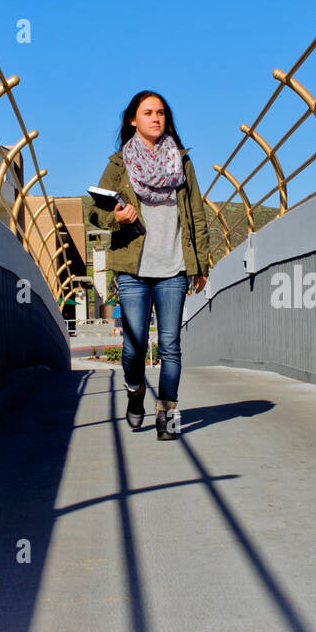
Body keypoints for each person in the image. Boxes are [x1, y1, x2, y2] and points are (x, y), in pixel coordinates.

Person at [87, 90, 210, 440]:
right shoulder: (119, 164)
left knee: (170, 346)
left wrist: (200, 264)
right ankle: (135, 393)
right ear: (132, 120)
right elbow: (95, 212)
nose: (156, 118)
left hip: (173, 268)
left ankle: (167, 417)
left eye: (161, 113)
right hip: (132, 270)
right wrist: (117, 217)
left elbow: (196, 216)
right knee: (134, 345)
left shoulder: (182, 163)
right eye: (148, 113)